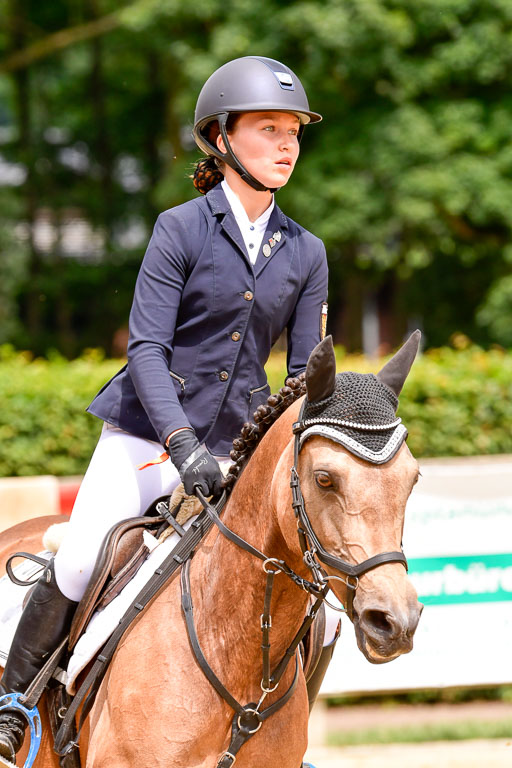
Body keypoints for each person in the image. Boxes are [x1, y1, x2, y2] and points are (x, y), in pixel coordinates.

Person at [0, 55, 330, 762]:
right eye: (268, 129)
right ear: (220, 138)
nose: (285, 145)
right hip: (146, 437)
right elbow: (147, 349)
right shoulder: (179, 229)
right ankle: (15, 701)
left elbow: (303, 377)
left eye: (294, 132)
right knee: (84, 554)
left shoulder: (307, 252)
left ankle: (271, 720)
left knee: (313, 594)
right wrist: (181, 445)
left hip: (235, 451)